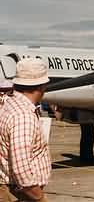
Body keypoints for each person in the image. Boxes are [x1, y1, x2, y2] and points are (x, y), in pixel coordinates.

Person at [0, 58, 51, 202]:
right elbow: (21, 170)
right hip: (21, 193)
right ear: (42, 86)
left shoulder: (10, 104)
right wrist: (39, 198)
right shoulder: (23, 116)